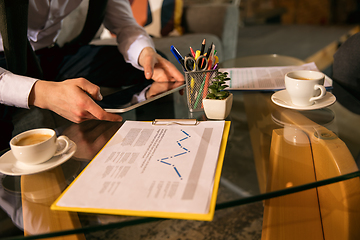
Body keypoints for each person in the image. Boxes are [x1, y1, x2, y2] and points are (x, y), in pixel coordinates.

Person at [0, 0, 184, 125]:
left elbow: (124, 23)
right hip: (5, 62)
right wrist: (42, 93)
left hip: (50, 54)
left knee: (153, 65)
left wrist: (145, 52)